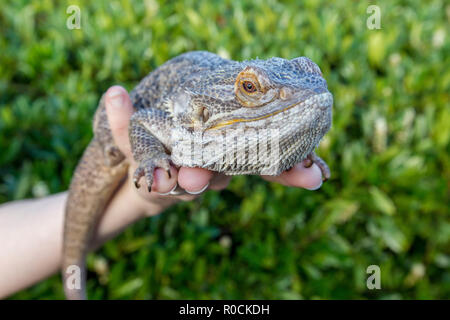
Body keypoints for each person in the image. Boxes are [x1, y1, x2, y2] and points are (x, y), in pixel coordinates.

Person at [0, 86, 324, 298]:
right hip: (114, 148)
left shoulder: (242, 114)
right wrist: (150, 158)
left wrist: (139, 201)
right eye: (251, 88)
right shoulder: (201, 107)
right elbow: (141, 122)